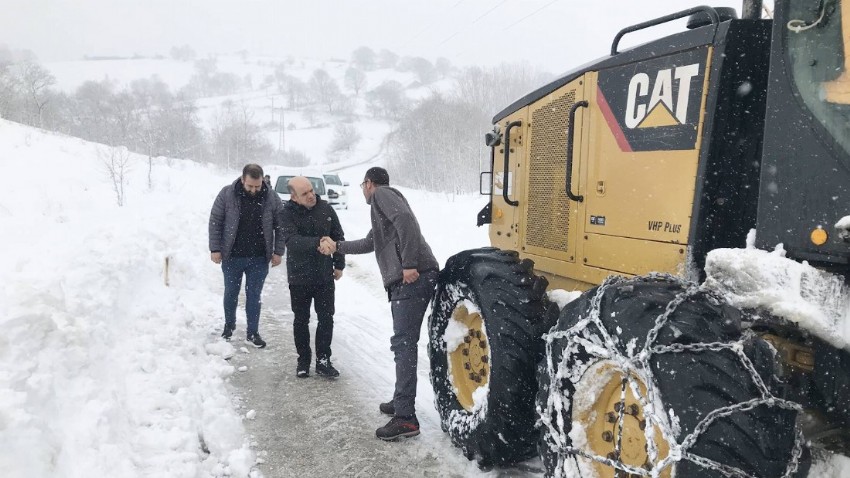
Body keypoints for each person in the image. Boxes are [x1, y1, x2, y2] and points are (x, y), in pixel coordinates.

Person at [319, 167, 439, 441]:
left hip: (412, 278)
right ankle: (401, 402)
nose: (363, 189)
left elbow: (407, 220)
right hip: (409, 278)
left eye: (363, 185)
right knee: (402, 343)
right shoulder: (382, 209)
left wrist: (409, 264)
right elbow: (369, 242)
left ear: (369, 183)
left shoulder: (382, 195)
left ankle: (406, 418)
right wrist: (337, 246)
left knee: (404, 344)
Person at [208, 163, 284, 348]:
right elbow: (215, 221)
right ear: (242, 180)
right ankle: (229, 326)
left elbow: (281, 226)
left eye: (257, 186)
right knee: (231, 293)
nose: (253, 190)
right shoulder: (227, 194)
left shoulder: (272, 197)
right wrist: (215, 249)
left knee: (254, 295)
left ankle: (253, 332)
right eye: (250, 186)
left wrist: (278, 252)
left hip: (259, 257)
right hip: (232, 255)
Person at [281, 176, 346, 378]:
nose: (311, 196)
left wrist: (339, 263)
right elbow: (292, 242)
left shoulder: (326, 209)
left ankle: (323, 360)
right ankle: (303, 360)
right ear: (293, 196)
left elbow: (338, 236)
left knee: (326, 318)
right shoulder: (286, 214)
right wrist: (318, 242)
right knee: (301, 319)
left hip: (324, 275)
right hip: (299, 276)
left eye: (311, 190)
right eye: (305, 193)